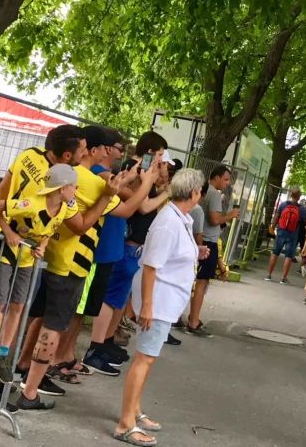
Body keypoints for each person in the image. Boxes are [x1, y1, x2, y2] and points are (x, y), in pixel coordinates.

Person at [0, 124, 88, 398]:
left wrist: (35, 239)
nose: (84, 154)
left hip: (25, 250)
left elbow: (3, 189)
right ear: (67, 157)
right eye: (81, 150)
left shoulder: (29, 154)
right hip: (11, 244)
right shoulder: (48, 188)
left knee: (5, 307)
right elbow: (4, 202)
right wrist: (10, 228)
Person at [15, 129, 126, 410]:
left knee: (41, 319)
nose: (87, 152)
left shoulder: (65, 176)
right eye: (86, 147)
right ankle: (30, 391)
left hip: (54, 259)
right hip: (69, 264)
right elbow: (82, 224)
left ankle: (24, 369)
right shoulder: (80, 180)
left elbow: (0, 202)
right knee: (53, 327)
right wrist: (108, 195)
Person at [0, 164, 78, 413]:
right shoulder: (31, 204)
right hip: (7, 254)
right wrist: (7, 231)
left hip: (27, 259)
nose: (76, 191)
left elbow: (50, 229)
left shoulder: (65, 208)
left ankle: (3, 355)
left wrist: (42, 245)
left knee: (18, 306)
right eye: (74, 186)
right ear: (62, 188)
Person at [114, 169, 209, 446]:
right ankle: (126, 423)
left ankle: (134, 411)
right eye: (199, 189)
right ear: (193, 193)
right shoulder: (169, 220)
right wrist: (147, 306)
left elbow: (169, 257)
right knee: (144, 358)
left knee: (148, 358)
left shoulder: (178, 218)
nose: (200, 194)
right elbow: (152, 266)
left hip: (163, 300)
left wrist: (196, 253)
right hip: (158, 301)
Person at [53, 127, 156, 380]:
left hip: (98, 252)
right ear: (101, 149)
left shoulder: (98, 177)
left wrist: (134, 178)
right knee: (70, 312)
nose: (121, 153)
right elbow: (134, 206)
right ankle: (52, 362)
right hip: (85, 255)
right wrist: (149, 181)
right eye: (120, 149)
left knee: (81, 310)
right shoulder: (94, 177)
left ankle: (65, 357)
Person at [83, 132, 173, 374]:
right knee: (108, 298)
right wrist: (161, 188)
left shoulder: (142, 176)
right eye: (160, 156)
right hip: (117, 243)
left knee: (118, 299)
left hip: (123, 243)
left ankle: (105, 342)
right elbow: (141, 205)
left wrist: (158, 183)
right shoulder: (125, 173)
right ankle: (95, 347)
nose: (161, 163)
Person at [186, 165, 239, 337]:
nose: (227, 183)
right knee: (202, 283)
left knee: (196, 281)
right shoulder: (214, 194)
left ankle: (189, 317)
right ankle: (193, 321)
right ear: (215, 177)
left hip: (202, 240)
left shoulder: (206, 192)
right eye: (225, 179)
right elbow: (215, 219)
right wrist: (230, 215)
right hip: (208, 243)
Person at [265, 186, 306, 284]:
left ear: (290, 194)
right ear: (299, 197)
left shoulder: (283, 205)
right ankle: (283, 278)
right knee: (289, 256)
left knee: (275, 253)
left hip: (281, 232)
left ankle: (269, 275)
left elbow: (277, 216)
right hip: (293, 234)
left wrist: (272, 228)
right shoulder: (301, 209)